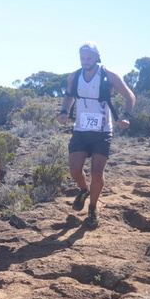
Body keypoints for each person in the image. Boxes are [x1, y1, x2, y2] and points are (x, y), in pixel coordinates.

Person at [56, 41, 135, 228]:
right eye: (82, 58)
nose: (85, 61)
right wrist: (64, 112)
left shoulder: (109, 75)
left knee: (97, 173)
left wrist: (126, 116)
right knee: (74, 170)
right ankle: (84, 190)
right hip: (81, 130)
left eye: (89, 58)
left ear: (97, 57)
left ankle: (92, 208)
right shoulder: (75, 76)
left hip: (102, 131)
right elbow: (69, 96)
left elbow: (129, 96)